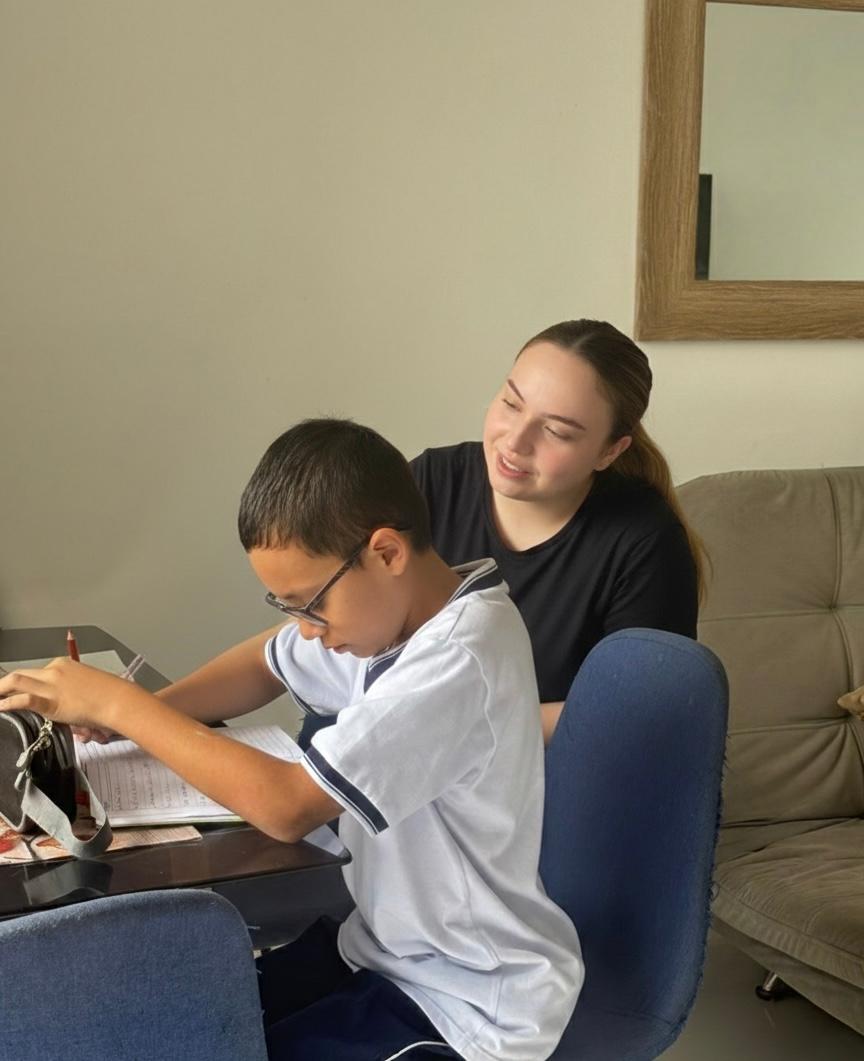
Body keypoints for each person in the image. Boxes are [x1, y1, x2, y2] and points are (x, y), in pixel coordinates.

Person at [0, 418, 583, 1061]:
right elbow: (265, 662)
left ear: (385, 553)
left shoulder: (459, 658)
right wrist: (131, 717)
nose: (307, 631)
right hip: (377, 949)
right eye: (288, 608)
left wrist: (124, 703)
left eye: (310, 604)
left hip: (466, 1001)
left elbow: (287, 806)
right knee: (176, 1020)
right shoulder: (393, 620)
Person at [411, 319, 703, 744]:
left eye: (556, 431)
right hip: (416, 753)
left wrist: (460, 730)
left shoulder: (644, 541)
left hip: (558, 775)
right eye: (511, 404)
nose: (515, 441)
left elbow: (638, 708)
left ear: (610, 451)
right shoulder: (434, 481)